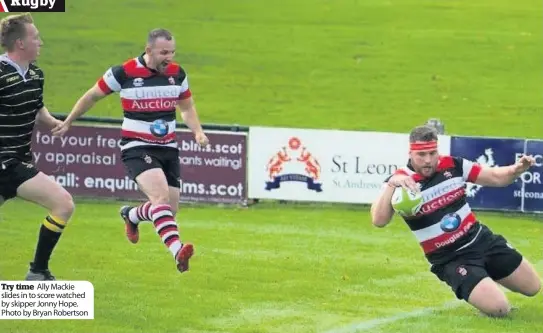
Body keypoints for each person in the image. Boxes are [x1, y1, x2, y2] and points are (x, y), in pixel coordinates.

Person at [52, 28, 209, 274]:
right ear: (149, 51)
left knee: (170, 209)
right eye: (164, 52)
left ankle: (132, 215)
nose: (169, 57)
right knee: (160, 200)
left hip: (168, 148)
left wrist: (197, 131)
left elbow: (186, 107)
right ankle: (177, 250)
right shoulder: (123, 72)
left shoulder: (177, 74)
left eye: (172, 51)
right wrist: (70, 120)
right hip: (136, 146)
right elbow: (92, 96)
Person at [370, 125, 541, 317]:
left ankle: (484, 278)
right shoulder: (399, 182)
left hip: (480, 239)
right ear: (410, 153)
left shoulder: (452, 165)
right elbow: (379, 220)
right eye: (422, 155)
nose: (428, 160)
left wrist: (516, 169)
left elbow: (495, 177)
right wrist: (391, 185)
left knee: (533, 287)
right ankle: (480, 287)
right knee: (500, 309)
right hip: (450, 257)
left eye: (432, 153)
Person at [0, 13, 75, 281]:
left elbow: (37, 108)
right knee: (63, 204)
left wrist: (55, 123)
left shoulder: (35, 74)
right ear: (20, 43)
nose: (40, 42)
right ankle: (38, 271)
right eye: (35, 37)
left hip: (20, 158)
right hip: (6, 162)